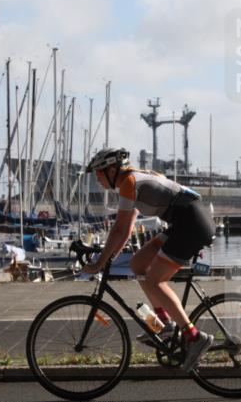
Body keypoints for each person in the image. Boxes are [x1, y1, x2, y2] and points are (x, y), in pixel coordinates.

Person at [81, 148, 216, 373]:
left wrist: (98, 263)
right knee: (138, 264)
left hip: (191, 225)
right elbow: (125, 230)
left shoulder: (129, 182)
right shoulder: (130, 183)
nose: (97, 178)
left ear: (112, 170)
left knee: (155, 280)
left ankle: (194, 337)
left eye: (99, 173)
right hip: (182, 223)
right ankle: (164, 326)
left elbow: (120, 229)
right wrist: (108, 257)